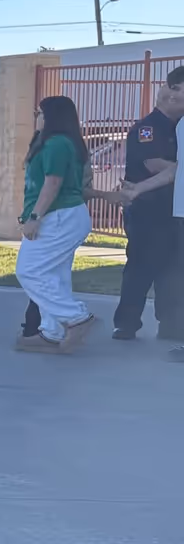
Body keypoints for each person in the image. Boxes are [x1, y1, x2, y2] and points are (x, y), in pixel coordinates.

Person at [14, 94, 95, 353]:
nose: (36, 117)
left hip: (59, 216)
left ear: (52, 116)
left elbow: (53, 183)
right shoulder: (56, 142)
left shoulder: (57, 143)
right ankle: (52, 332)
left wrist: (35, 217)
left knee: (28, 271)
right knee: (54, 275)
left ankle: (75, 317)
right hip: (64, 215)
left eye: (39, 112)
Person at [112, 66, 183, 341]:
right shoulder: (148, 128)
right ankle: (127, 324)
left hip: (173, 211)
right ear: (173, 94)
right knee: (141, 266)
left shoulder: (181, 127)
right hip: (147, 212)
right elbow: (154, 164)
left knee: (173, 270)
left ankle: (170, 326)